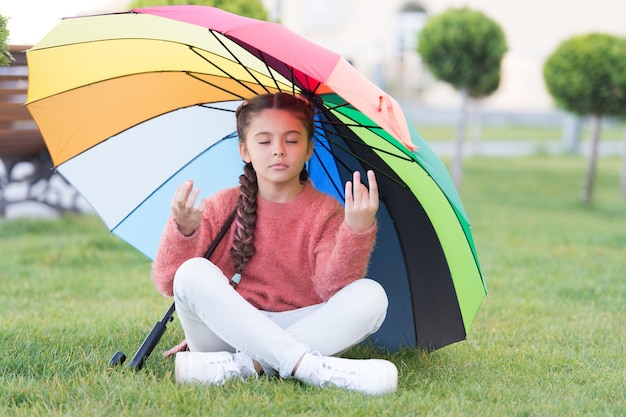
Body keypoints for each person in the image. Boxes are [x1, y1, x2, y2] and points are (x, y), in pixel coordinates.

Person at [151, 92, 397, 395]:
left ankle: (242, 367)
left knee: (371, 296)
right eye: (264, 141)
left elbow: (333, 289)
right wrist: (184, 232)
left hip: (300, 329)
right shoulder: (223, 205)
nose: (278, 151)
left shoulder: (325, 212)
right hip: (228, 331)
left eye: (291, 141)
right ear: (245, 150)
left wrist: (356, 230)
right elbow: (169, 282)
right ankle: (309, 368)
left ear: (308, 149)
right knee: (191, 273)